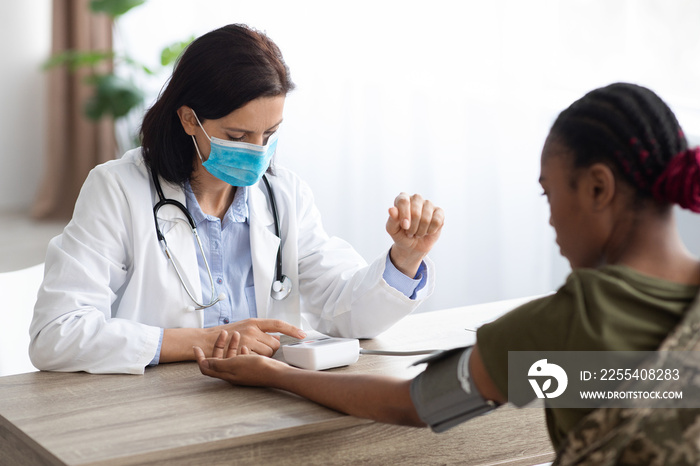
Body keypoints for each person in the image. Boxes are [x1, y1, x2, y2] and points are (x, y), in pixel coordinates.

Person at [194, 83, 700, 452]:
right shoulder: (585, 350)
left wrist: (278, 373)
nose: (550, 221)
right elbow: (631, 383)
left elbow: (413, 404)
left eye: (549, 194)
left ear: (597, 188)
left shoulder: (574, 321)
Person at [29, 24, 444, 375]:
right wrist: (201, 341)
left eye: (269, 134)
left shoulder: (284, 195)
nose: (258, 151)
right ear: (190, 119)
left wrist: (404, 258)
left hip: (265, 395)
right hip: (156, 404)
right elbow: (56, 334)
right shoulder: (117, 189)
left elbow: (348, 314)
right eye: (238, 136)